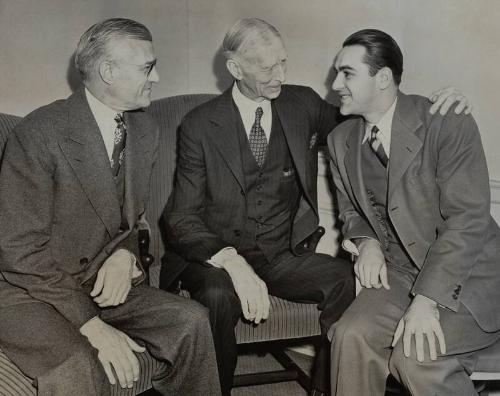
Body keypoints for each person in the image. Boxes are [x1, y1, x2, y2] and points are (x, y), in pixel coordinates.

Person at [161, 18, 470, 396]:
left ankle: (327, 389)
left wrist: (434, 107)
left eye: (283, 63)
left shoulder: (300, 103)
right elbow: (180, 217)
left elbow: (370, 109)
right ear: (235, 69)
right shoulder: (199, 125)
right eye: (266, 67)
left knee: (343, 278)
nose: (279, 75)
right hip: (215, 258)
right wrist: (230, 261)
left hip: (280, 253)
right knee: (218, 295)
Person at [0, 18, 220, 396]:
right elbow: (18, 253)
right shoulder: (38, 134)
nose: (157, 76)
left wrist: (124, 256)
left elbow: (131, 220)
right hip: (30, 292)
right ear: (107, 71)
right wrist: (92, 325)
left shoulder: (144, 129)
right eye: (147, 67)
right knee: (78, 365)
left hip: (98, 283)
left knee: (192, 322)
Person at [327, 28, 500, 396]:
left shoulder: (446, 121)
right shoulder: (340, 140)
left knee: (415, 357)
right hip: (402, 274)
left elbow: (467, 221)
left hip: (470, 279)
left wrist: (427, 300)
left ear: (383, 78)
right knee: (349, 335)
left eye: (347, 73)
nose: (334, 82)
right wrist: (366, 240)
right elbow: (349, 208)